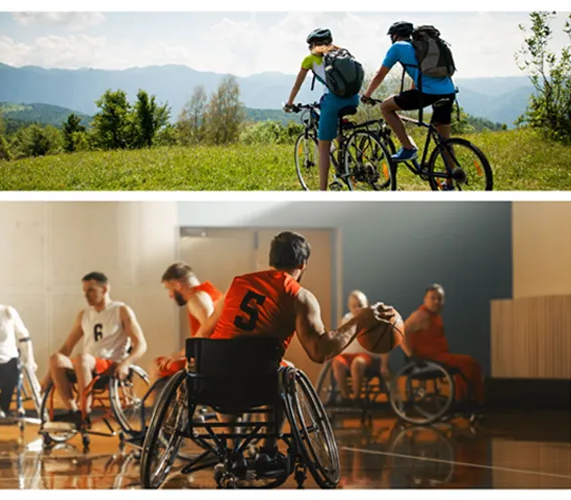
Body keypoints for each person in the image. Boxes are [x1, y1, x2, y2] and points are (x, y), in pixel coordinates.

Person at [194, 231, 399, 473]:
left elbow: (202, 335)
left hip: (213, 380)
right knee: (285, 372)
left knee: (231, 363)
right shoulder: (299, 296)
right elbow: (319, 351)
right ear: (303, 264)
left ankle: (233, 453)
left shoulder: (236, 285)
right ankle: (267, 452)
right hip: (257, 382)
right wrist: (359, 320)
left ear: (271, 260)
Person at [47, 272, 147, 426]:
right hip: (86, 363)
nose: (86, 295)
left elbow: (141, 344)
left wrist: (126, 363)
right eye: (85, 291)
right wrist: (46, 378)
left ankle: (85, 412)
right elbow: (67, 347)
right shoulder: (84, 315)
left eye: (91, 290)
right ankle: (73, 411)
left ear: (105, 289)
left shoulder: (121, 310)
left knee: (83, 358)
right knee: (56, 358)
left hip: (109, 364)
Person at [362, 22, 458, 164]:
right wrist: (412, 92)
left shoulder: (398, 47)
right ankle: (451, 179)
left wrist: (367, 95)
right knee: (444, 140)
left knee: (386, 107)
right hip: (449, 91)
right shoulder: (420, 47)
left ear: (394, 36)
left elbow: (380, 74)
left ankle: (408, 148)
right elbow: (419, 73)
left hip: (427, 93)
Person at [285, 28, 363, 191]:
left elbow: (297, 84)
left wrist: (290, 103)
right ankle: (345, 159)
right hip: (354, 99)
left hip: (333, 102)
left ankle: (322, 191)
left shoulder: (310, 59)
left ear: (313, 45)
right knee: (339, 131)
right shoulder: (343, 54)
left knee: (324, 146)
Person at [403, 284, 484, 408]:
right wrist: (411, 356)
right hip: (429, 359)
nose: (436, 301)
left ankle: (474, 400)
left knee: (471, 364)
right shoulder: (420, 315)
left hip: (439, 356)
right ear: (425, 299)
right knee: (469, 363)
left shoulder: (435, 316)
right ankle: (464, 401)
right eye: (433, 298)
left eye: (439, 299)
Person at [154, 262, 222, 380]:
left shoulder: (196, 298)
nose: (170, 295)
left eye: (168, 289)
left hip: (209, 358)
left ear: (177, 285)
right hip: (215, 353)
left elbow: (208, 331)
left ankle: (154, 399)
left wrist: (179, 355)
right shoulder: (208, 293)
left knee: (157, 366)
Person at [330, 290, 395, 404]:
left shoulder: (376, 320)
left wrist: (384, 365)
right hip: (347, 356)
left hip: (366, 357)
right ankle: (346, 398)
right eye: (353, 306)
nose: (357, 309)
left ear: (367, 304)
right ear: (349, 307)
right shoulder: (346, 319)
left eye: (360, 305)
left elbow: (386, 344)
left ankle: (356, 398)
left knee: (357, 363)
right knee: (337, 363)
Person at [0, 301, 35, 420]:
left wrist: (30, 360)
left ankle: (1, 407)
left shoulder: (6, 312)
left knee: (14, 368)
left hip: (6, 365)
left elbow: (24, 336)